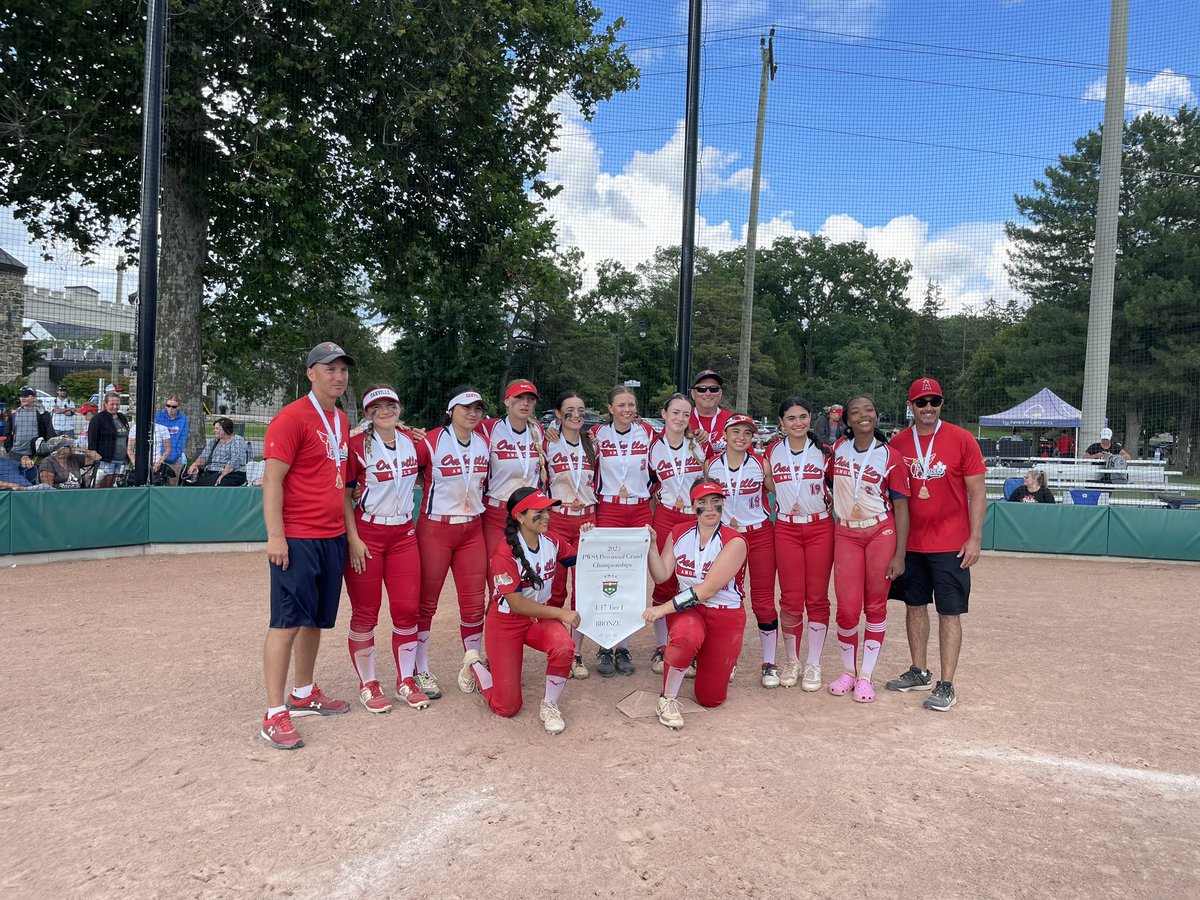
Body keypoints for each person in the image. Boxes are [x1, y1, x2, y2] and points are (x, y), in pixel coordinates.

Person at [259, 342, 355, 751]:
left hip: (330, 536)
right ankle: (274, 712)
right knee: (286, 622)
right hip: (297, 537)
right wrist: (276, 535)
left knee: (315, 620)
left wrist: (348, 535)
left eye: (343, 370)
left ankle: (304, 692)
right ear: (311, 373)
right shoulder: (291, 418)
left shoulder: (342, 420)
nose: (338, 376)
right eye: (329, 369)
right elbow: (272, 481)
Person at [885, 377, 986, 712]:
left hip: (950, 543)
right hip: (911, 543)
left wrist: (974, 537)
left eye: (934, 402)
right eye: (921, 402)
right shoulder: (898, 443)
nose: (928, 408)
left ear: (941, 404)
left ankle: (946, 684)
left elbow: (977, 492)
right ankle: (919, 670)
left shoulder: (961, 438)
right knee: (914, 607)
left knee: (949, 612)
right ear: (910, 406)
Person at [458, 487, 589, 735]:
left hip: (538, 619)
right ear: (519, 516)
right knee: (506, 707)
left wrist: (589, 539)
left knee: (564, 646)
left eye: (548, 511)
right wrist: (561, 613)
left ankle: (549, 704)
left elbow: (584, 560)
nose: (547, 516)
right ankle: (474, 663)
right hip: (507, 621)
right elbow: (517, 604)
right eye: (539, 512)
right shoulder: (504, 551)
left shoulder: (553, 541)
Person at [342, 385, 426, 713]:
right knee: (366, 612)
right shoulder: (356, 446)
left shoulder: (414, 442)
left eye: (391, 404)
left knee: (407, 610)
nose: (386, 411)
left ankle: (406, 679)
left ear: (399, 407)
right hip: (367, 534)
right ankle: (369, 682)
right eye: (377, 407)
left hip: (404, 533)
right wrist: (353, 539)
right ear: (368, 414)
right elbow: (343, 498)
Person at [642, 479, 749, 730]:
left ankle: (714, 660)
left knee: (710, 699)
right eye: (703, 503)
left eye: (716, 503)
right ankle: (667, 699)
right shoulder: (679, 533)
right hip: (688, 612)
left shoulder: (735, 541)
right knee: (686, 635)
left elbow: (707, 590)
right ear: (693, 507)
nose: (710, 509)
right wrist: (650, 548)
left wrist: (661, 609)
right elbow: (661, 575)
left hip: (725, 615)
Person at [828, 396, 909, 704]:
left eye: (869, 410)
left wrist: (899, 554)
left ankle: (866, 676)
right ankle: (848, 671)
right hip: (847, 532)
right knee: (847, 607)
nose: (863, 416)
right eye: (855, 412)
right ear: (847, 420)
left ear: (876, 415)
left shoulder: (891, 456)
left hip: (880, 530)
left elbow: (901, 508)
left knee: (875, 605)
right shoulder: (837, 451)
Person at [412, 387, 491, 701]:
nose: (472, 414)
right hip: (436, 528)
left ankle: (472, 664)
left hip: (472, 530)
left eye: (478, 409)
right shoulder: (429, 441)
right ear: (451, 409)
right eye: (466, 407)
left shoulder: (484, 444)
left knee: (473, 604)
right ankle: (420, 668)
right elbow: (410, 471)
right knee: (426, 603)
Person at [767, 396, 834, 691]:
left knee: (817, 597)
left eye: (803, 417)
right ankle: (792, 660)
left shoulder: (824, 452)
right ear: (781, 422)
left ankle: (813, 664)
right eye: (791, 418)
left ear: (810, 418)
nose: (798, 423)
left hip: (820, 526)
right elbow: (769, 484)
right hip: (786, 529)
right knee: (791, 597)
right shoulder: (772, 451)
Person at [707, 413, 777, 687]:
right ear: (725, 435)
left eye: (747, 433)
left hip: (758, 534)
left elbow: (781, 492)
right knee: (726, 597)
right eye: (735, 431)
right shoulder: (711, 465)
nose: (741, 437)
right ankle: (727, 658)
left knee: (762, 599)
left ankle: (769, 662)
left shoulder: (761, 464)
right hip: (726, 537)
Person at [589, 384, 655, 676]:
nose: (627, 410)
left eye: (631, 404)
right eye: (621, 405)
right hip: (609, 508)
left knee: (632, 578)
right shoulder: (596, 436)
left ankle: (624, 645)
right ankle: (605, 645)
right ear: (610, 408)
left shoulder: (650, 434)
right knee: (608, 576)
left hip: (639, 508)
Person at [647, 393, 710, 673]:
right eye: (675, 413)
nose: (680, 419)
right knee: (664, 581)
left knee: (693, 579)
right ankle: (663, 646)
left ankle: (691, 645)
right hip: (666, 514)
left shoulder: (699, 446)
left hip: (693, 518)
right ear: (664, 413)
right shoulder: (650, 446)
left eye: (686, 414)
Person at [543, 390, 600, 679]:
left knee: (583, 591)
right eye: (569, 410)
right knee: (556, 590)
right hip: (558, 520)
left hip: (587, 522)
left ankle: (576, 654)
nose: (576, 415)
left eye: (580, 410)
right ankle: (556, 648)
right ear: (558, 414)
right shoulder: (547, 443)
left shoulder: (594, 444)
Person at [477, 380, 545, 566]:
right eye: (519, 398)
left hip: (529, 513)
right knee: (498, 572)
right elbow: (455, 432)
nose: (525, 403)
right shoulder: (487, 427)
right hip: (497, 512)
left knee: (529, 569)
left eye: (530, 399)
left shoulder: (537, 430)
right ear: (507, 401)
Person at [5, 387, 56, 483]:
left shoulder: (42, 414)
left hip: (35, 454)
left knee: (34, 480)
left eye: (26, 396)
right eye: (21, 396)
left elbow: (49, 433)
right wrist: (9, 449)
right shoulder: (14, 414)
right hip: (16, 453)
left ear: (34, 398)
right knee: (16, 481)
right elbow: (7, 433)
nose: (23, 398)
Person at [187, 418, 251, 486]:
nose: (215, 431)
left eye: (217, 429)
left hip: (232, 473)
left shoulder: (237, 440)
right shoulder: (214, 441)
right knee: (188, 479)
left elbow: (234, 462)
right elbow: (204, 457)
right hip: (212, 472)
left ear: (225, 429)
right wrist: (195, 464)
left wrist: (222, 475)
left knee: (215, 483)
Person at [87, 392, 130, 486]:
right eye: (112, 404)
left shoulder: (122, 417)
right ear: (105, 404)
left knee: (117, 485)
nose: (115, 407)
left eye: (117, 404)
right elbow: (92, 439)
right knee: (104, 485)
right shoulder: (98, 419)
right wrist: (93, 454)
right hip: (106, 460)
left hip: (122, 460)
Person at [689, 370, 733, 452]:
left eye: (714, 389)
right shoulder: (682, 419)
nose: (708, 393)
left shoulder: (732, 420)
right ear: (693, 393)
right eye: (701, 389)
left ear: (720, 393)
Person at [127, 416, 172, 482]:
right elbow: (130, 450)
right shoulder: (134, 428)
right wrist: (136, 464)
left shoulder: (163, 429)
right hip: (141, 464)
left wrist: (159, 463)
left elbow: (168, 449)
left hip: (156, 464)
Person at [155, 395, 189, 483]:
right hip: (158, 458)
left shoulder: (183, 420)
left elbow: (182, 440)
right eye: (168, 405)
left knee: (172, 484)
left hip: (175, 458)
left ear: (179, 407)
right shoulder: (158, 417)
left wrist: (175, 456)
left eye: (174, 406)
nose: (170, 409)